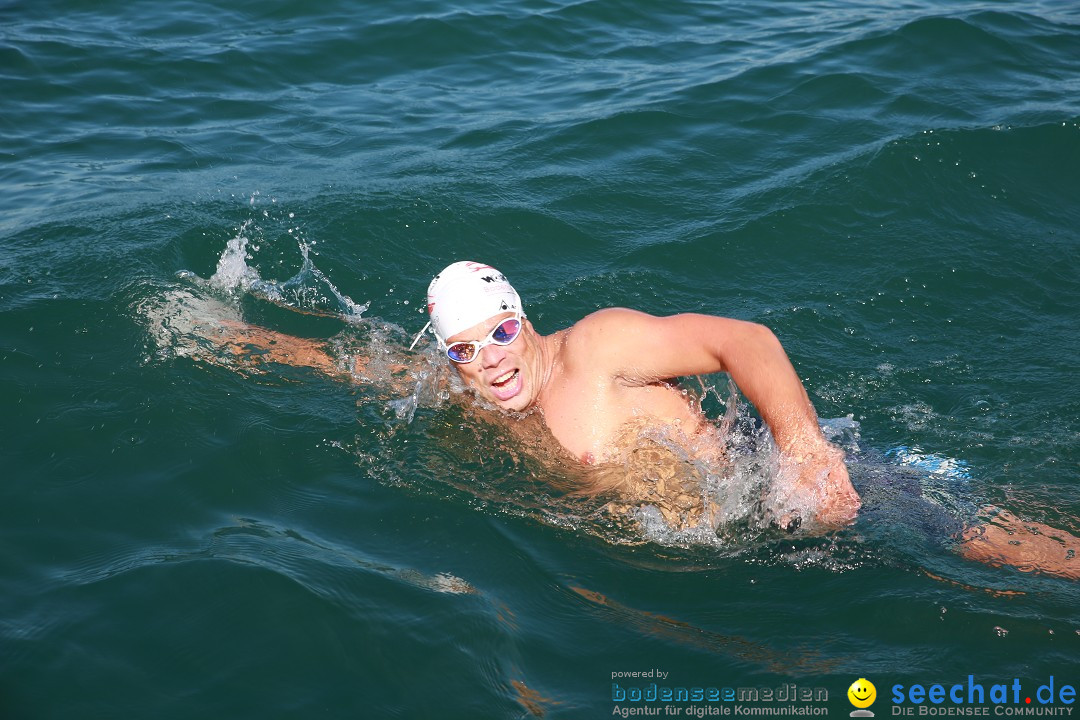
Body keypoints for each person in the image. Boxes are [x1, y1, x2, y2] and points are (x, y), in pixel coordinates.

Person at [167, 260, 1078, 578]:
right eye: (465, 350)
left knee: (982, 547)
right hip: (731, 538)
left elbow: (745, 341)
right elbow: (349, 356)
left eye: (502, 333)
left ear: (523, 318)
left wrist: (806, 454)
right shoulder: (456, 383)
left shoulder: (596, 348)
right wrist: (220, 333)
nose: (489, 360)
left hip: (780, 480)